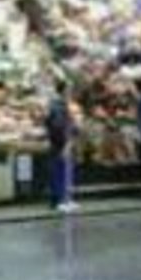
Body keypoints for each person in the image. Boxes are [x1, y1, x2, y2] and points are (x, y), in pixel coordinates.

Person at [46, 80, 79, 213]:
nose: (71, 92)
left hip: (57, 143)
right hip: (60, 143)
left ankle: (59, 200)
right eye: (70, 89)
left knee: (59, 171)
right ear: (64, 91)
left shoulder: (57, 104)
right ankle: (61, 200)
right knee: (61, 172)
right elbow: (60, 126)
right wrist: (67, 143)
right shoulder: (59, 105)